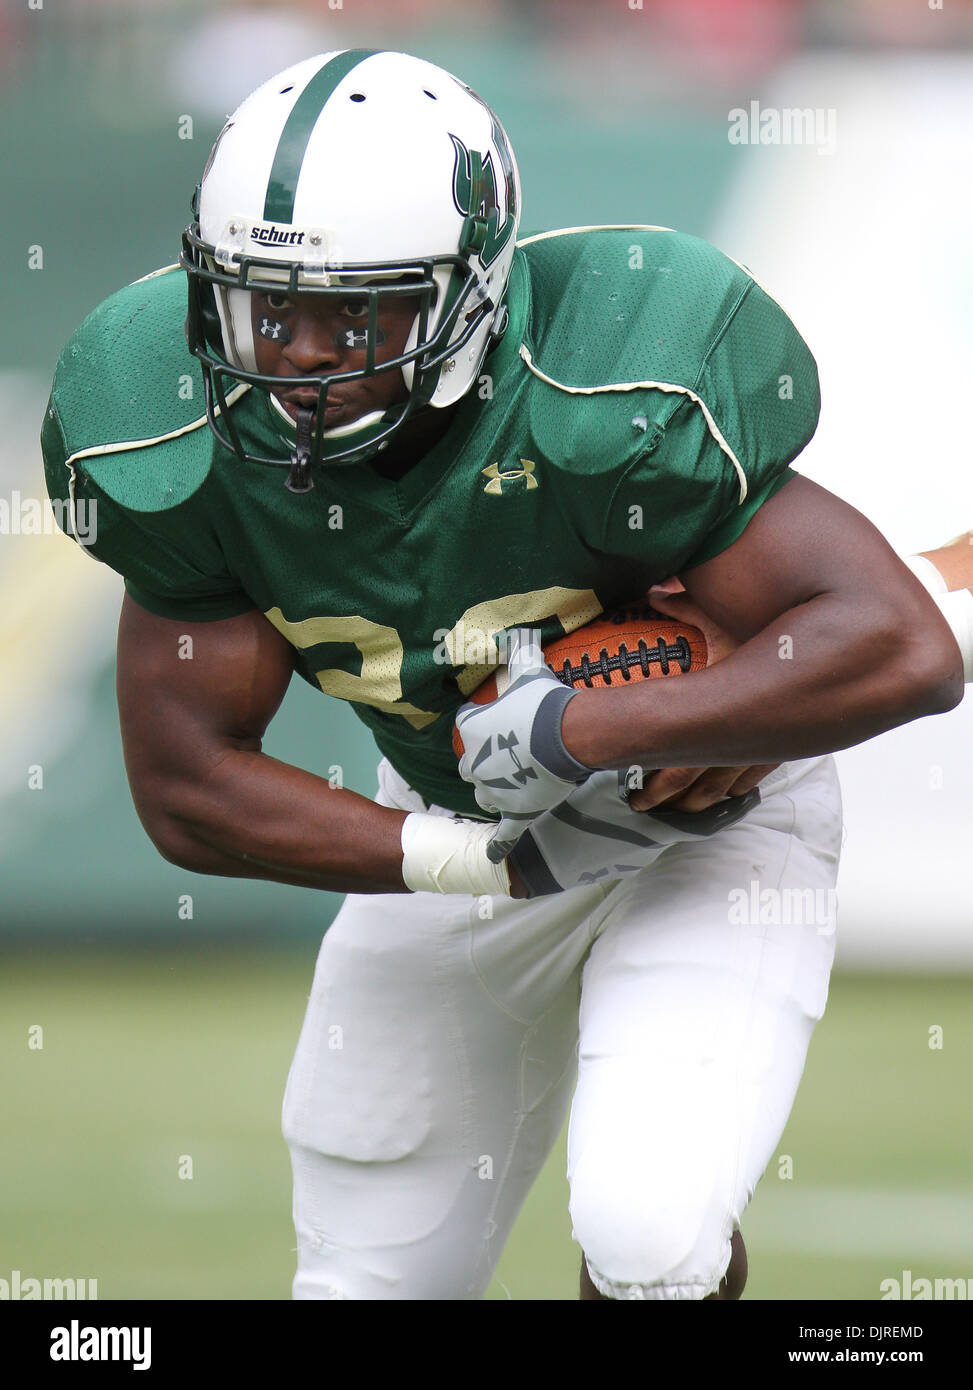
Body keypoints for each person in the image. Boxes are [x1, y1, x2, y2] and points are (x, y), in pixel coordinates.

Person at [42, 49, 967, 1301]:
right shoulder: (170, 426)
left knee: (650, 1235)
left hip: (707, 825)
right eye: (266, 306)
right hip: (458, 815)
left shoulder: (608, 381)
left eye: (355, 313)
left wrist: (592, 725)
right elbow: (187, 782)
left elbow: (897, 642)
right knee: (363, 1283)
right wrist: (480, 859)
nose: (300, 356)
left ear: (469, 294)